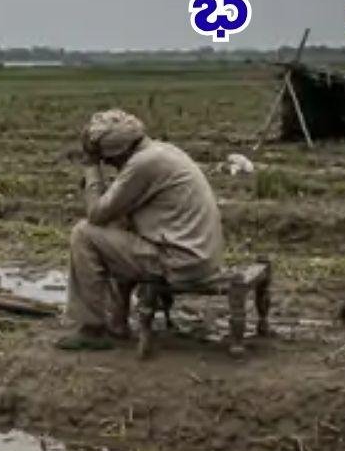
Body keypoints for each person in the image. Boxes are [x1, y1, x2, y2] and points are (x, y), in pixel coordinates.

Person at [57, 108, 223, 355]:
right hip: (197, 254)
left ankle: (92, 328)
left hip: (180, 260)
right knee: (116, 230)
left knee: (84, 234)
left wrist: (91, 167)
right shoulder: (160, 151)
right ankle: (117, 322)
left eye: (108, 160)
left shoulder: (143, 164)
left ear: (119, 151)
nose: (109, 165)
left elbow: (97, 213)